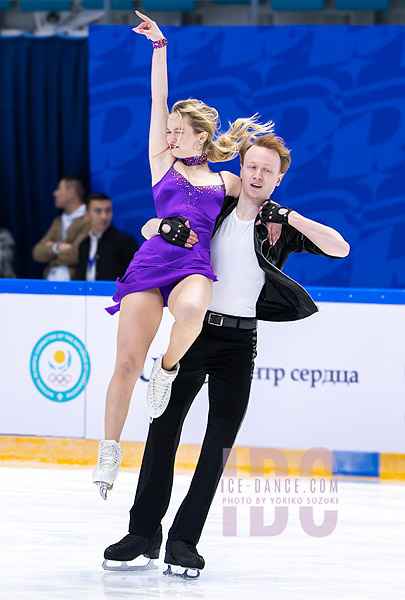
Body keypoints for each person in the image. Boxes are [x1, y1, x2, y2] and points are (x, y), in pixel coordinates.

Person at [102, 133, 350, 577]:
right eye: (251, 167)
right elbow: (151, 224)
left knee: (218, 442)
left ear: (277, 180)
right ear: (241, 169)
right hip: (195, 333)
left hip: (239, 345)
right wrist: (159, 227)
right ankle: (142, 534)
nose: (257, 175)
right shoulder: (212, 207)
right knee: (164, 429)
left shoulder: (278, 226)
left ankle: (183, 542)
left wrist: (290, 215)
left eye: (267, 171)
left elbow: (340, 247)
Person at [92, 10, 275, 498]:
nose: (170, 136)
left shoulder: (224, 180)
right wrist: (159, 48)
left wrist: (286, 216)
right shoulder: (161, 162)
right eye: (168, 129)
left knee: (193, 310)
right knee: (126, 363)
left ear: (199, 135)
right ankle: (109, 449)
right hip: (152, 264)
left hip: (193, 267)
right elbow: (157, 98)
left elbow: (260, 191)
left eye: (177, 130)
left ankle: (168, 369)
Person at [32, 176, 89, 281]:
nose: (55, 193)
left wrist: (51, 253)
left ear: (71, 193)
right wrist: (57, 247)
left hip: (75, 286)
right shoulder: (58, 221)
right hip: (50, 281)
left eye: (59, 188)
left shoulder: (87, 219)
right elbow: (37, 252)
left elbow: (77, 254)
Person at [78, 194, 139, 281]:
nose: (104, 216)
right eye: (98, 211)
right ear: (87, 215)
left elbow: (135, 276)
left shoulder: (125, 242)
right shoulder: (83, 245)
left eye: (108, 211)